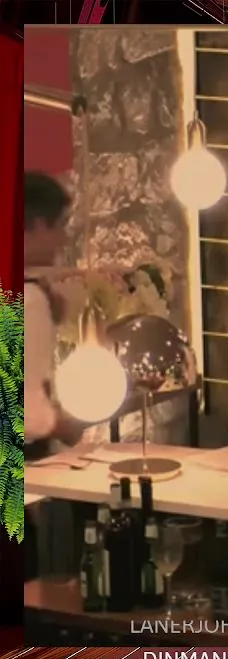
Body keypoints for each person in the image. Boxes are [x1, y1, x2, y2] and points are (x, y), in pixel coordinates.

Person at [23, 172, 83, 460]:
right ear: (35, 226)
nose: (64, 238)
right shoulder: (28, 300)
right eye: (60, 226)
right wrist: (64, 426)